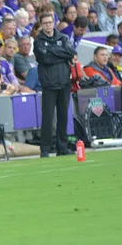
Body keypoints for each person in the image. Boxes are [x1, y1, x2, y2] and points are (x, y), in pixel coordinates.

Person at [33, 12, 77, 157]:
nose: (48, 25)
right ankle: (45, 149)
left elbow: (71, 52)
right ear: (41, 25)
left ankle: (62, 147)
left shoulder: (62, 37)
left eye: (49, 22)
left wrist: (53, 51)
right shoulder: (38, 40)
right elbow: (44, 58)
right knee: (48, 117)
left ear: (54, 23)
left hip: (64, 82)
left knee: (63, 116)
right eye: (45, 23)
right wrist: (62, 54)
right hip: (49, 83)